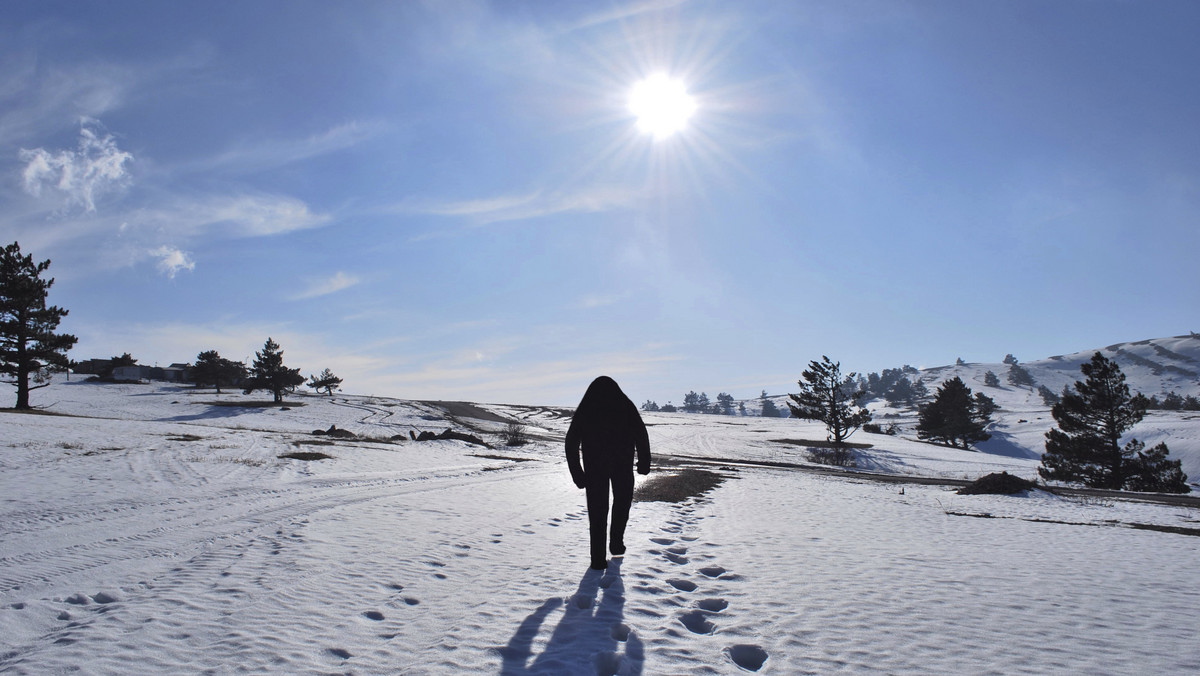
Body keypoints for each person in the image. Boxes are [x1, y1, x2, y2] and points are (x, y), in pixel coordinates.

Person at [565, 376, 651, 570]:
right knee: (622, 503)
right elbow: (641, 433)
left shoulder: (587, 407)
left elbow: (571, 442)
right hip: (621, 465)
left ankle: (597, 558)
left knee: (597, 512)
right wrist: (644, 462)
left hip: (595, 467)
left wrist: (577, 474)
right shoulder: (625, 404)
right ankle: (616, 543)